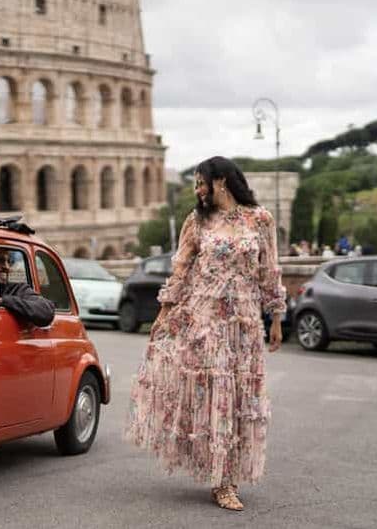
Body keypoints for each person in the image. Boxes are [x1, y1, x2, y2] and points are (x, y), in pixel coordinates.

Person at [125, 156, 286, 512]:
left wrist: (276, 317)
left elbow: (269, 270)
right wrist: (164, 313)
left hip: (244, 325)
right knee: (219, 396)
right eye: (196, 184)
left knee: (240, 400)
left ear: (222, 181)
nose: (198, 190)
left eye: (201, 183)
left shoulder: (260, 219)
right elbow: (181, 269)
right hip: (204, 321)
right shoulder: (197, 221)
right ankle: (222, 482)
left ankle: (228, 476)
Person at [0, 247, 55, 327]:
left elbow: (45, 310)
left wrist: (3, 301)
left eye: (9, 262)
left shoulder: (16, 290)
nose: (7, 267)